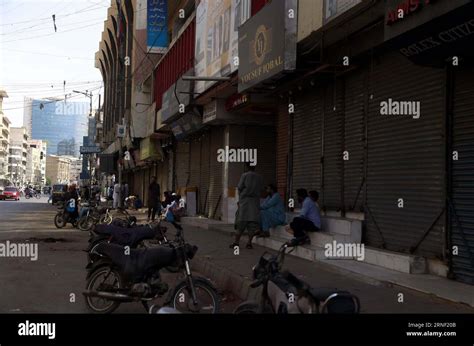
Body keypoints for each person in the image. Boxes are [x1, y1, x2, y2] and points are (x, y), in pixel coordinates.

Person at [230, 163, 264, 250]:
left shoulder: (244, 175)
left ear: (247, 167)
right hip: (255, 203)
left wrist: (241, 198)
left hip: (245, 203)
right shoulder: (259, 177)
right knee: (252, 225)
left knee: (241, 223)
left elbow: (240, 187)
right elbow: (261, 188)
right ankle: (249, 243)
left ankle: (236, 243)